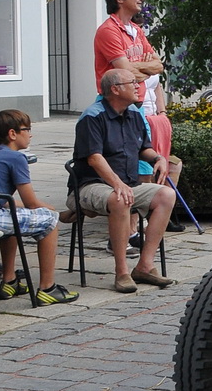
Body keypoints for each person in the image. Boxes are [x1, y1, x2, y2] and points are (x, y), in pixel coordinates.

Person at [0, 110, 76, 304]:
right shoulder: (16, 158)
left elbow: (4, 201)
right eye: (27, 129)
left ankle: (9, 281)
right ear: (12, 134)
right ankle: (48, 288)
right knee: (49, 222)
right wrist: (56, 212)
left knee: (12, 215)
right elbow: (31, 203)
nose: (31, 134)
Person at [71, 70, 178, 292]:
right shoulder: (92, 117)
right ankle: (122, 272)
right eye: (133, 83)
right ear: (115, 89)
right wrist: (117, 184)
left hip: (129, 184)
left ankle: (145, 266)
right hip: (91, 185)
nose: (138, 86)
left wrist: (159, 158)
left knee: (166, 195)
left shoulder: (134, 114)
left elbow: (143, 149)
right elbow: (94, 157)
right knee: (120, 199)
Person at [93, 0, 173, 161]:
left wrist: (162, 113)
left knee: (168, 165)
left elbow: (159, 66)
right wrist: (145, 68)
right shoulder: (109, 30)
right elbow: (125, 74)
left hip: (150, 111)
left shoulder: (137, 30)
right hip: (126, 107)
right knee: (143, 168)